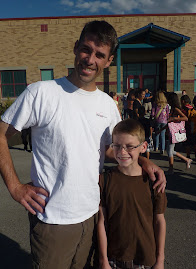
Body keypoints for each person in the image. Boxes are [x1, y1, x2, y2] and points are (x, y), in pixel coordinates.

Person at [0, 21, 166, 269]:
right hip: (53, 219)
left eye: (100, 55)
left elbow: (110, 150)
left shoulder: (107, 105)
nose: (90, 59)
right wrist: (15, 187)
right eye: (86, 50)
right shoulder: (41, 93)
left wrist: (143, 160)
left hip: (93, 217)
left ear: (109, 61)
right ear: (76, 48)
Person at [98, 119, 167, 269]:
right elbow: (101, 222)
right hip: (113, 258)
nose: (122, 152)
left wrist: (160, 260)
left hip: (145, 258)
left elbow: (159, 221)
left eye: (129, 147)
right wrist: (103, 260)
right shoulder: (105, 180)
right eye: (117, 146)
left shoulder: (154, 182)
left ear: (143, 147)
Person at [165, 92, 192, 175]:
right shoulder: (172, 109)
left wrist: (174, 118)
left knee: (170, 151)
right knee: (170, 150)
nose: (167, 101)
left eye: (168, 99)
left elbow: (186, 118)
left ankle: (171, 168)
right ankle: (187, 160)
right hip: (170, 132)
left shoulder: (176, 109)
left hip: (174, 133)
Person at [181, 94, 196, 160]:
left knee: (188, 143)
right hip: (194, 127)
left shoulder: (184, 109)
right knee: (194, 142)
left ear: (183, 101)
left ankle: (188, 155)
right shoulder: (192, 108)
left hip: (187, 127)